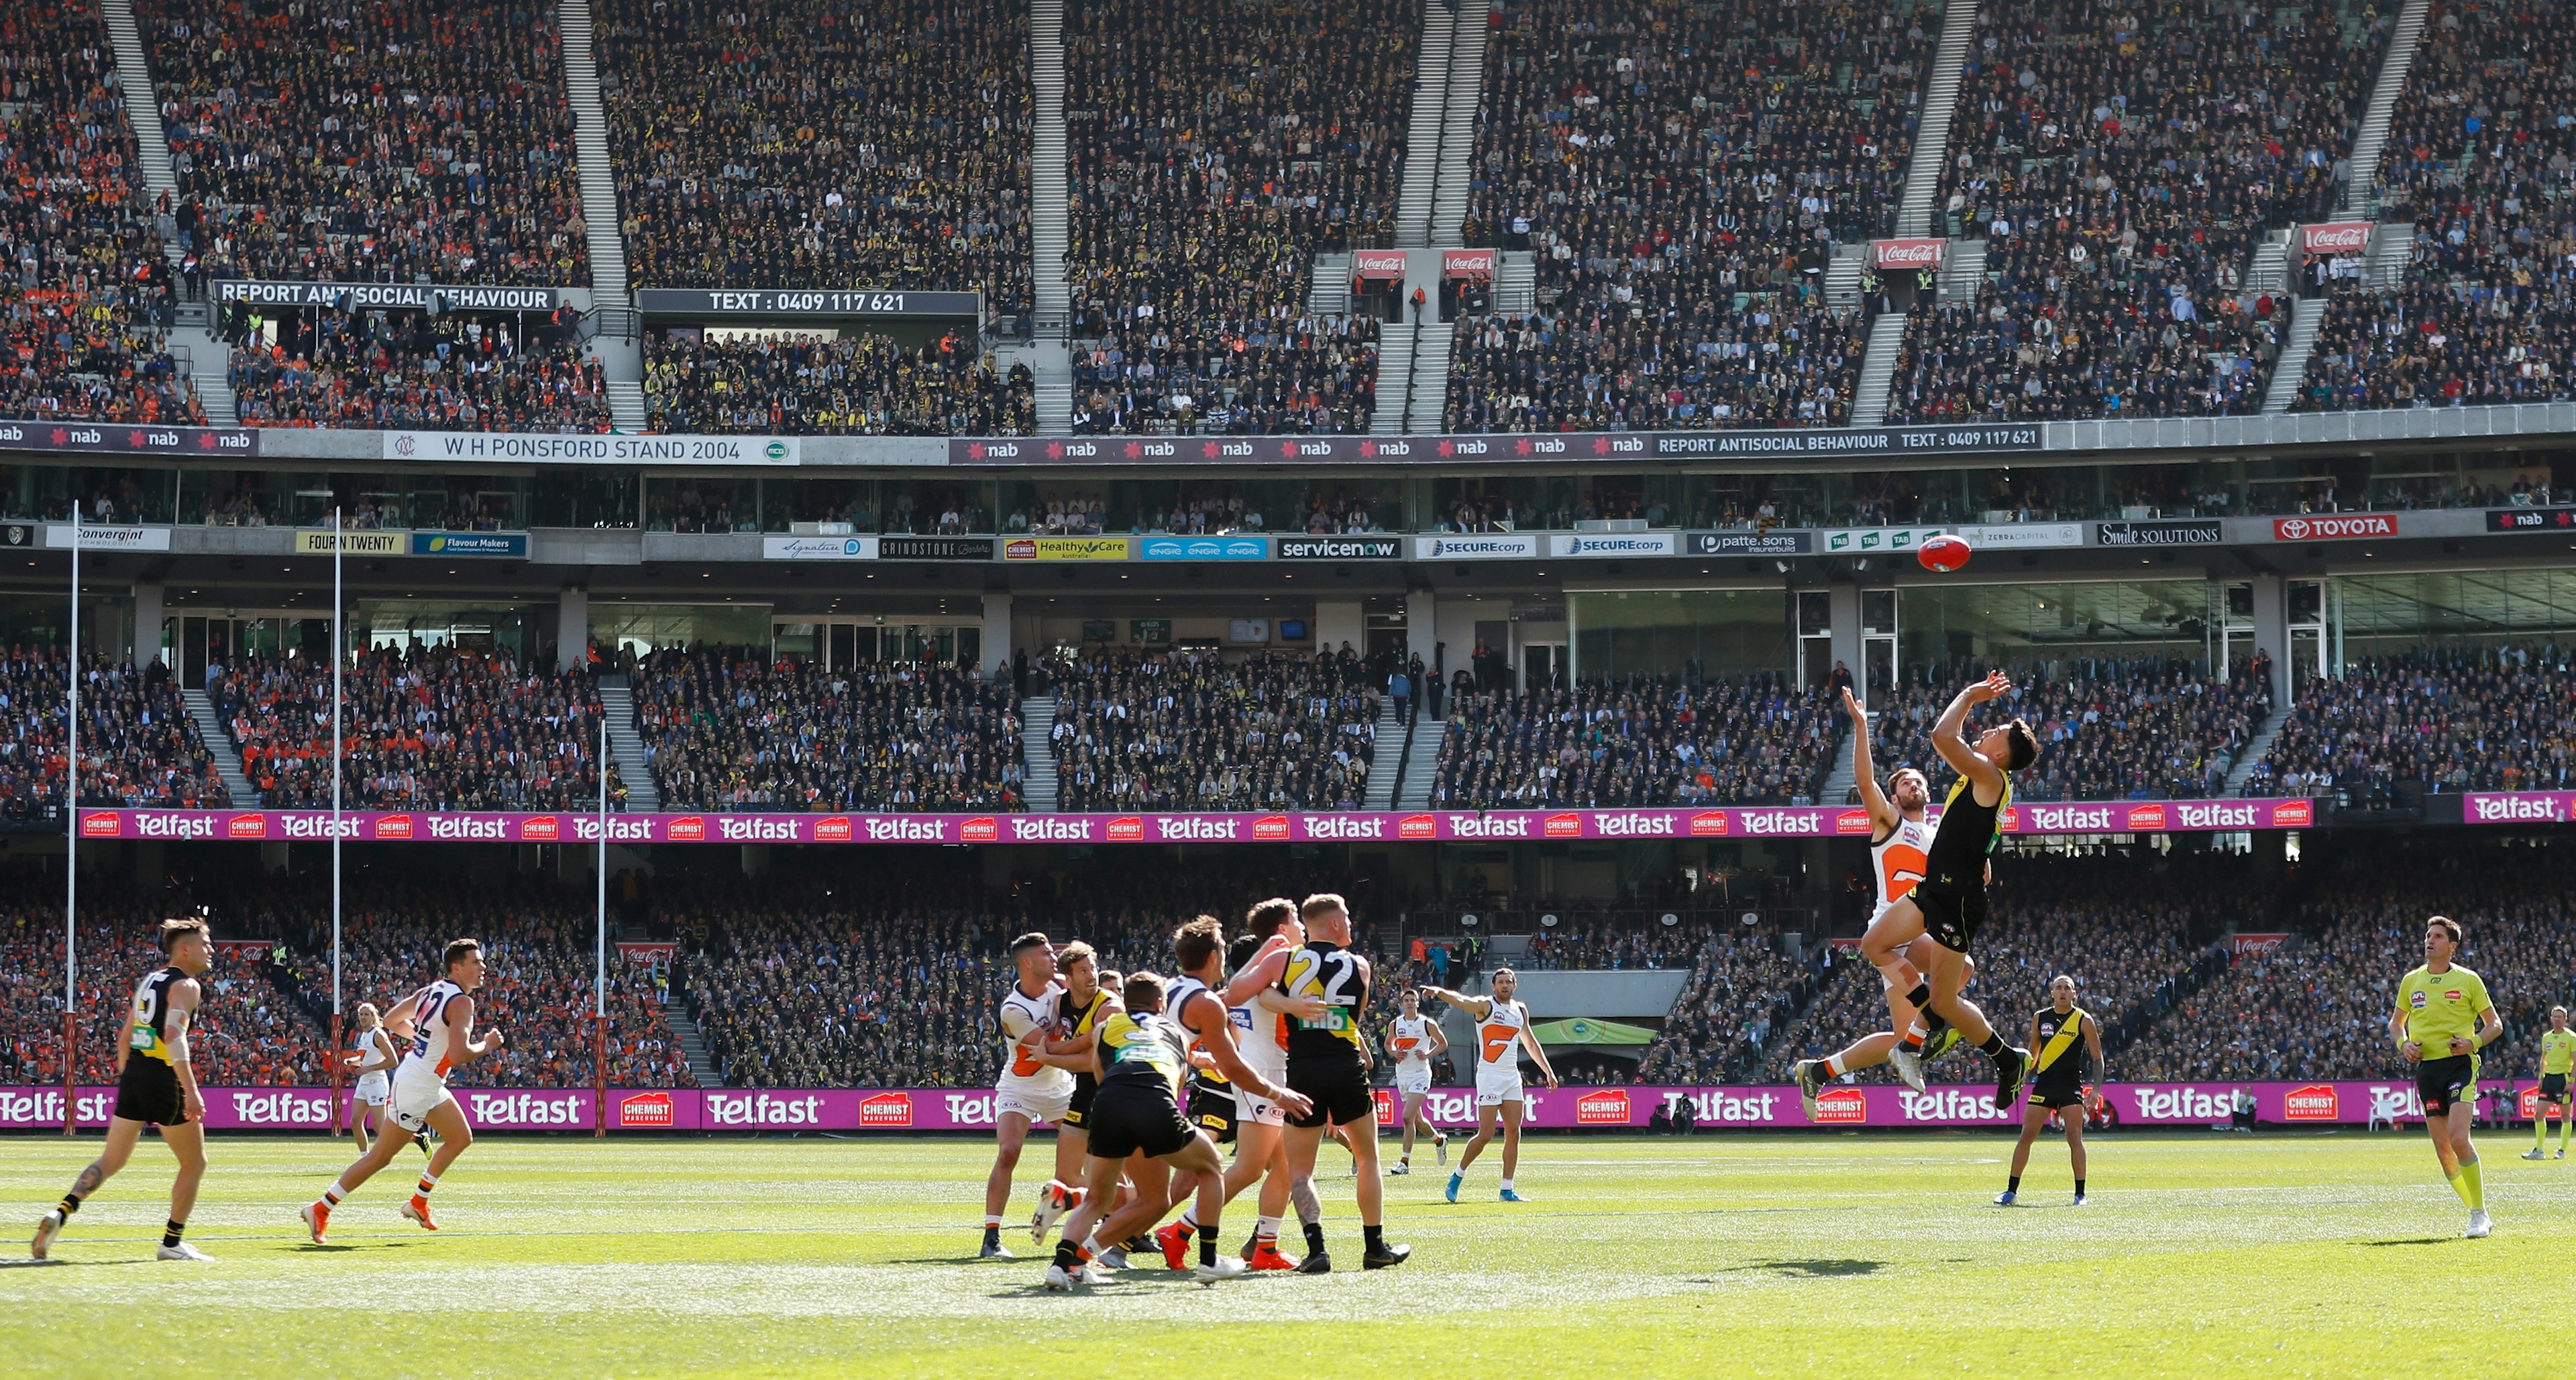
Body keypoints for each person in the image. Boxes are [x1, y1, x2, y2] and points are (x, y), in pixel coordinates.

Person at [1043, 922, 1314, 1291]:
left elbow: (1099, 1069)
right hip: (1157, 1101)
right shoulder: (1198, 1008)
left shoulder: (1111, 1023)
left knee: (1119, 1199)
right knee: (1211, 1168)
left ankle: (1067, 1263)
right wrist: (1278, 1093)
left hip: (1107, 1104)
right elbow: (1226, 1064)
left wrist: (1049, 1053)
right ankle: (1208, 1260)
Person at [1860, 670, 2038, 1107]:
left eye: (1993, 731)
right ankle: (1925, 1026)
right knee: (1874, 943)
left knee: (1944, 997)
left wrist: (1970, 696)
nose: (1985, 730)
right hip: (1937, 890)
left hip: (1955, 900)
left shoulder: (1990, 775)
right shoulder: (1988, 782)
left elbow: (1943, 735)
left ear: (1999, 752)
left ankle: (2005, 1058)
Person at [1796, 687, 1974, 1114]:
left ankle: (1818, 1072)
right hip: (1891, 932)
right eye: (1904, 782)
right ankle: (1930, 1018)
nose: (1913, 784)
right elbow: (1863, 782)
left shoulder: (1938, 837)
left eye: (1919, 780)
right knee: (1961, 965)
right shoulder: (1890, 822)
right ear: (1894, 798)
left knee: (1901, 1040)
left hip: (1919, 931)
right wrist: (1860, 726)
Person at [1153, 909, 1334, 1273]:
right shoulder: (1278, 956)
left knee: (1284, 1165)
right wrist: (1295, 1006)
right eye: (1297, 921)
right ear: (1282, 929)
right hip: (1263, 1072)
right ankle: (1181, 1231)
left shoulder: (1262, 962)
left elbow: (1241, 996)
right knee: (1251, 1168)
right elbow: (1261, 998)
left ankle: (1265, 1246)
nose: (1302, 927)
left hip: (1268, 1070)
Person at [31, 918, 217, 1263]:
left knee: (111, 1159)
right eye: (205, 944)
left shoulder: (151, 980)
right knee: (195, 1163)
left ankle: (62, 1211)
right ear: (185, 949)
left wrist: (131, 1075)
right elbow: (174, 1036)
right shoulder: (187, 986)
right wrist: (190, 1090)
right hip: (164, 1076)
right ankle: (172, 1243)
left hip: (136, 1073)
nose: (211, 950)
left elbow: (125, 1037)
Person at [301, 938, 507, 1244]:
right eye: (476, 962)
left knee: (461, 1138)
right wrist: (488, 1045)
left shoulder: (431, 991)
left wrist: (423, 1042)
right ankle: (321, 1208)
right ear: (457, 967)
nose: (483, 967)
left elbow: (394, 1020)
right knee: (381, 1157)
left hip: (423, 1078)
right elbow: (461, 1053)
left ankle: (419, 1203)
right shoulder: (462, 1002)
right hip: (420, 1083)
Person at [1279, 892, 1411, 1271]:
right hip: (1345, 1065)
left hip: (1303, 1068)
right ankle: (1375, 1247)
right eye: (1347, 917)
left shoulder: (1287, 961)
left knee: (1301, 1171)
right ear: (1334, 923)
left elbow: (1264, 995)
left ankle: (1316, 1251)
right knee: (1368, 1158)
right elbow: (1354, 1016)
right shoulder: (1360, 965)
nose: (1351, 923)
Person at [2392, 916, 2502, 1238]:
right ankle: (2476, 1211)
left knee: (2457, 1138)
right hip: (2427, 1070)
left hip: (2459, 1065)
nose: (2430, 940)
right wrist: (2404, 1044)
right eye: (2428, 935)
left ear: (2452, 946)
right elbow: (2396, 1024)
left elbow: (2495, 1024)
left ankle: (2479, 1214)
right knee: (2443, 1150)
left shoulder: (2469, 981)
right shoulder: (2411, 980)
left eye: (2438, 936)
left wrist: (2474, 1042)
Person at [1423, 968, 1558, 1203]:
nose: (1505, 986)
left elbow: (1531, 1043)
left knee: (1514, 1132)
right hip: (1489, 1076)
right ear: (1494, 987)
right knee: (1486, 1134)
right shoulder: (1486, 1006)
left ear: (1515, 986)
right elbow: (1463, 1001)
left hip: (1511, 1077)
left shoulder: (1520, 1010)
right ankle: (1458, 1175)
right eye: (1501, 982)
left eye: (1509, 982)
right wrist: (1440, 992)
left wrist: (1548, 1071)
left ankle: (1507, 1189)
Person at [980, 933, 1071, 1259]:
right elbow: (1046, 1048)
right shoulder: (1013, 1009)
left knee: (1096, 1151)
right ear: (1028, 963)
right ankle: (991, 1237)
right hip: (1020, 1086)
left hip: (1059, 1086)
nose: (1054, 957)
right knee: (1009, 1151)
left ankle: (1122, 1228)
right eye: (1047, 954)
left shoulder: (1060, 986)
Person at [1028, 941, 1116, 1244]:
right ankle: (1119, 1223)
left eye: (1092, 967)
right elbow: (1067, 1041)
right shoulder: (1060, 1003)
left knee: (1120, 1177)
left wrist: (1049, 1056)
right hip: (1084, 1093)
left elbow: (1093, 1060)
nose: (1091, 975)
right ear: (1068, 978)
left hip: (1111, 1093)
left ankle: (1123, 1225)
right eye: (1082, 971)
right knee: (1066, 1176)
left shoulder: (1109, 1007)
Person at [1996, 976, 2104, 1206]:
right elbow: (2033, 1054)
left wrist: (2095, 1089)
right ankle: (2011, 1192)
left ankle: (2080, 1195)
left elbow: (2098, 1059)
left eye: (2068, 988)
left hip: (2071, 1086)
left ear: (2075, 994)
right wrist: (2021, 1074)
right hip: (2044, 1085)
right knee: (2026, 1137)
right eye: (2059, 988)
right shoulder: (2040, 1018)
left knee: (2075, 1138)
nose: (2063, 992)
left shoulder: (2083, 1020)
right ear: (2052, 992)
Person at [1384, 987, 1449, 1175]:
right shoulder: (1395, 1025)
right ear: (1402, 1004)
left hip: (1420, 1074)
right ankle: (1439, 1141)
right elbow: (1388, 1044)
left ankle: (1404, 1163)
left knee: (1407, 1117)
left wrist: (1428, 1054)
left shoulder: (1426, 1024)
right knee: (1418, 1121)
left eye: (1413, 1000)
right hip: (1402, 1074)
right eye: (1407, 1001)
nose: (1410, 1003)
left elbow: (1443, 1043)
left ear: (1418, 1003)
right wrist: (1395, 1052)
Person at [341, 1001, 400, 1155]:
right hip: (365, 1082)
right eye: (361, 1014)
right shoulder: (363, 1035)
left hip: (377, 1082)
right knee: (355, 1122)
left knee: (379, 1126)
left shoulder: (378, 1035)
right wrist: (353, 1061)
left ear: (373, 1017)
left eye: (367, 1014)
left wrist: (369, 1068)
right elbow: (365, 1058)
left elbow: (393, 1061)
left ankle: (388, 1154)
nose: (363, 1017)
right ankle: (365, 1156)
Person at [2524, 1006, 2573, 1161]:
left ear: (2566, 1020)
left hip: (2563, 1078)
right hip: (2549, 1079)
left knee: (2565, 1116)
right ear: (2551, 1018)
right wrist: (2541, 1077)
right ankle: (2539, 1150)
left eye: (2560, 1017)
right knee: (2538, 1114)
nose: (2557, 1019)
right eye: (2554, 1016)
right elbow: (2543, 1059)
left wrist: (2571, 1081)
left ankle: (2562, 1150)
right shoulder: (2547, 1037)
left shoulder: (2571, 1037)